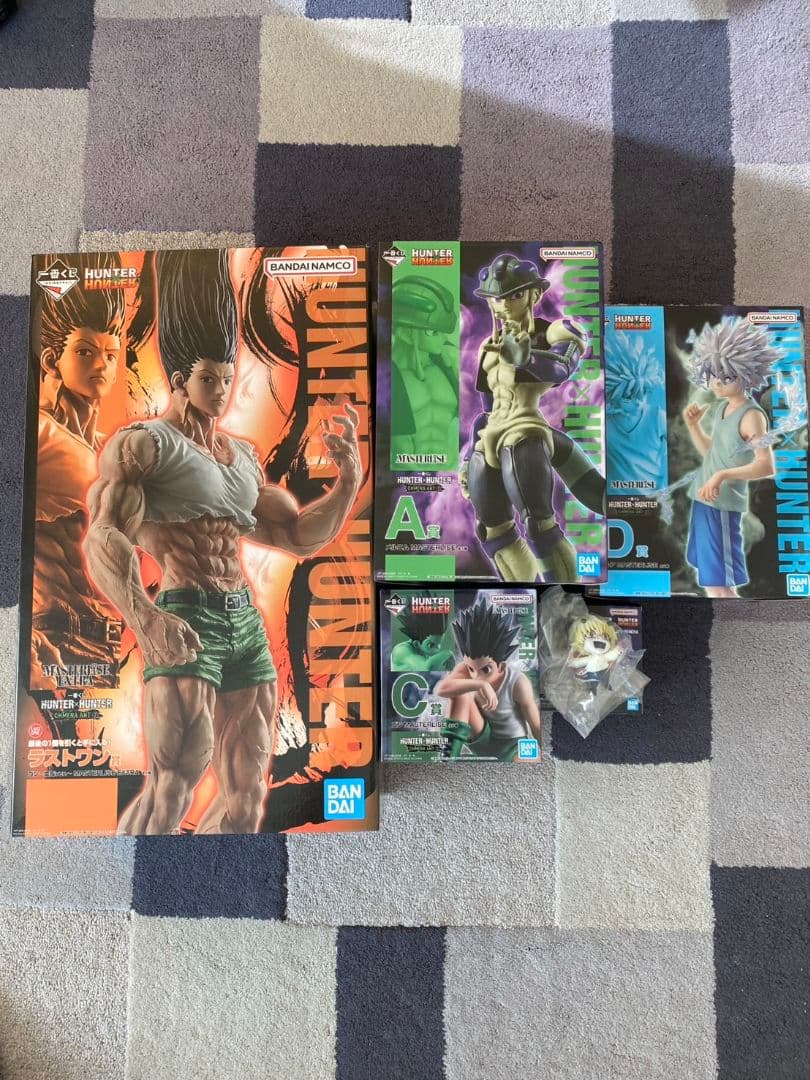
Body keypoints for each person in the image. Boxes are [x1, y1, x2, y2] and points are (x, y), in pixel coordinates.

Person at [83, 250, 362, 834]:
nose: (222, 390)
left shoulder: (242, 459)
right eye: (208, 379)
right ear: (179, 381)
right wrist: (147, 620)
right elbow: (104, 537)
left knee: (246, 795)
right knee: (174, 784)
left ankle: (220, 877)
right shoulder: (145, 446)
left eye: (228, 378)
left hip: (244, 625)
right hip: (186, 619)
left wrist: (346, 484)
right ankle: (136, 873)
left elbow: (295, 536)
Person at [461, 253, 605, 583]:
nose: (503, 304)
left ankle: (563, 593)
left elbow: (563, 366)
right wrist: (468, 457)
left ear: (534, 294)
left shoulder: (554, 330)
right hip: (490, 438)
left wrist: (526, 358)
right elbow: (487, 410)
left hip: (526, 431)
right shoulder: (488, 347)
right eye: (497, 298)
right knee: (492, 530)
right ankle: (520, 595)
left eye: (514, 295)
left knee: (538, 524)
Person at [32, 252, 126, 690]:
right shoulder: (43, 434)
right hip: (54, 642)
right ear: (52, 360)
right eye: (86, 352)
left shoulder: (99, 442)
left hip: (99, 643)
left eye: (111, 353)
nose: (102, 365)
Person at [682, 316, 778, 598]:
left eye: (726, 377)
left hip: (722, 505)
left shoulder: (752, 416)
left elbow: (766, 465)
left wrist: (722, 476)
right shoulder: (724, 408)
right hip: (704, 500)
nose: (716, 383)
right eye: (713, 375)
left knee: (720, 583)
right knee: (708, 574)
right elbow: (714, 455)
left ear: (747, 376)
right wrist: (694, 427)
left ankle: (732, 622)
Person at [435, 595, 540, 761]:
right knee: (460, 692)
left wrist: (541, 750)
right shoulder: (465, 670)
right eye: (472, 668)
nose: (477, 676)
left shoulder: (517, 682)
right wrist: (480, 686)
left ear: (501, 666)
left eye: (486, 669)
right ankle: (447, 757)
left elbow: (534, 722)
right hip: (482, 738)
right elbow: (442, 689)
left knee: (530, 763)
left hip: (513, 746)